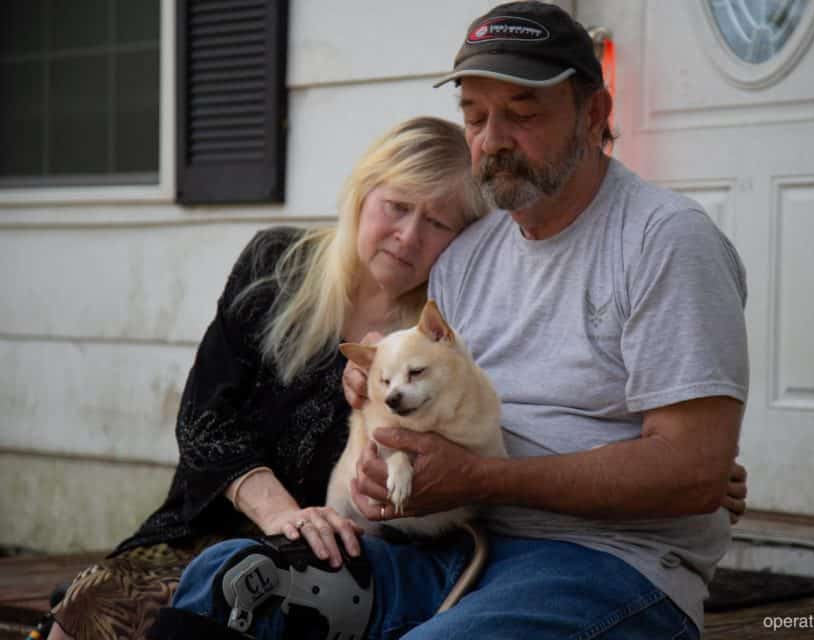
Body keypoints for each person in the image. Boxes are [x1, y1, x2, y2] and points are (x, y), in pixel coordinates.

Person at [162, 2, 750, 639]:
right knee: (229, 583)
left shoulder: (664, 241)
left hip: (606, 564)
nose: (492, 138)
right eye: (475, 116)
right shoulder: (466, 255)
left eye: (522, 114)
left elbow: (693, 471)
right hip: (451, 546)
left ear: (596, 115)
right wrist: (377, 437)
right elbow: (408, 393)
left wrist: (483, 477)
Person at [45, 116, 489, 640]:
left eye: (438, 223)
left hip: (333, 556)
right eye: (397, 206)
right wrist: (283, 514)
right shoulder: (275, 263)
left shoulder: (435, 341)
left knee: (214, 605)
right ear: (364, 193)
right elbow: (203, 420)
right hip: (209, 524)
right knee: (96, 598)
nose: (409, 235)